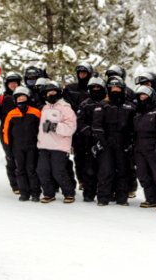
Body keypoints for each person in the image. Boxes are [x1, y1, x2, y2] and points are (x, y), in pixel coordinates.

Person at [91, 76, 135, 206]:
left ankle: (122, 198)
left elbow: (134, 126)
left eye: (117, 88)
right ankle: (103, 197)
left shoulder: (130, 107)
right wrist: (101, 141)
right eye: (112, 88)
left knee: (123, 170)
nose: (115, 90)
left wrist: (130, 142)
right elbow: (97, 125)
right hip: (107, 142)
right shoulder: (102, 106)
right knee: (106, 170)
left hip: (123, 142)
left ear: (122, 89)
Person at [37, 80, 77, 203]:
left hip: (59, 146)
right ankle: (49, 194)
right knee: (42, 170)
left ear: (59, 93)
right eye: (49, 93)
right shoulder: (44, 108)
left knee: (58, 171)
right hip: (44, 145)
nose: (51, 94)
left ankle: (69, 193)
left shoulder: (65, 108)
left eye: (54, 92)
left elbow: (71, 128)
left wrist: (55, 127)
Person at [2, 86, 41, 202]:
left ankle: (35, 193)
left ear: (28, 99)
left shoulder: (35, 112)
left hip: (32, 146)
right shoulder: (11, 114)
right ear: (15, 100)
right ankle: (24, 192)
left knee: (31, 169)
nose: (21, 100)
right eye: (18, 98)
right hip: (17, 147)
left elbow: (41, 130)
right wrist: (8, 148)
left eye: (23, 98)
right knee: (20, 169)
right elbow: (6, 132)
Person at [0, 72, 22, 194]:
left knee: (25, 158)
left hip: (24, 133)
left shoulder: (24, 96)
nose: (13, 85)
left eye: (16, 82)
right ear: (7, 84)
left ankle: (26, 182)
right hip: (6, 133)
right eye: (11, 82)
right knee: (11, 158)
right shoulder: (1, 98)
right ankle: (15, 185)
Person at [105, 65, 138, 198]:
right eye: (110, 75)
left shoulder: (128, 92)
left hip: (125, 130)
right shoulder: (107, 90)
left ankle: (130, 187)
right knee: (109, 165)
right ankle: (112, 189)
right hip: (110, 132)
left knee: (127, 164)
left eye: (115, 74)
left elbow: (133, 108)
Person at [63, 62, 93, 190]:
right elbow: (63, 103)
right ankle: (81, 180)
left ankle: (91, 179)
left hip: (90, 126)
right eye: (80, 73)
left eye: (84, 72)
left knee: (92, 155)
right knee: (79, 156)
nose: (82, 75)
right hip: (74, 127)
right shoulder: (70, 88)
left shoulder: (94, 87)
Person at [76, 76, 107, 202]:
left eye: (98, 87)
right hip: (88, 140)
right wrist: (87, 131)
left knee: (106, 167)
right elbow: (80, 120)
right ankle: (88, 193)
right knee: (89, 167)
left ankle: (105, 192)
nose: (95, 89)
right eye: (93, 87)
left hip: (105, 139)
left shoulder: (108, 103)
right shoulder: (85, 103)